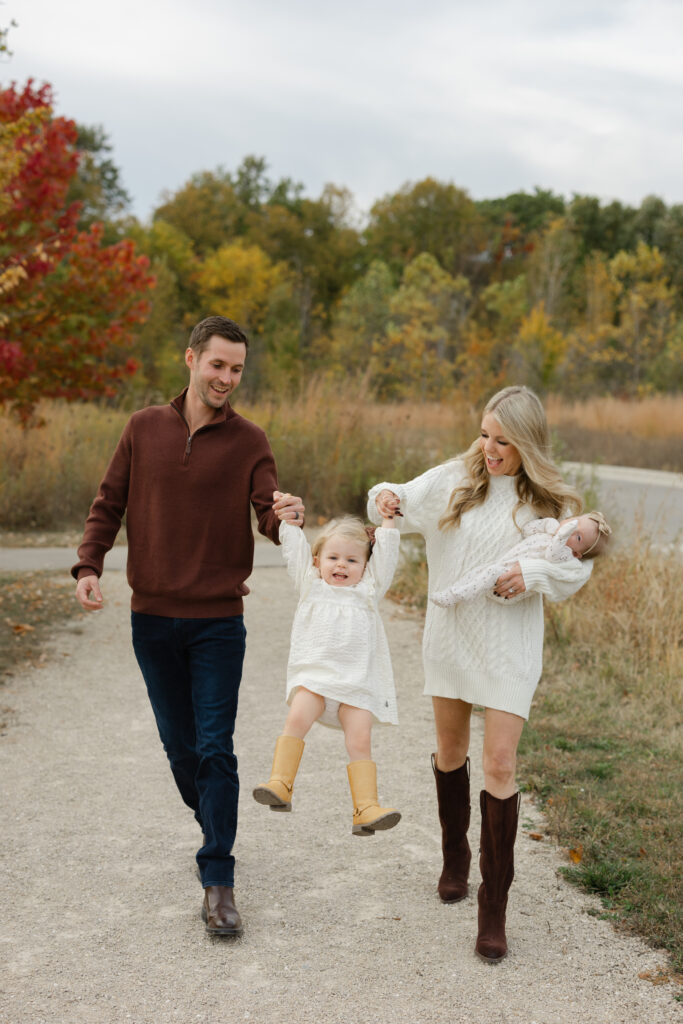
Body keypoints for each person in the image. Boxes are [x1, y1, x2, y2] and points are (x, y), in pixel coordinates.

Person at [72, 314, 304, 938]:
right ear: (192, 359)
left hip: (218, 624)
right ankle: (216, 826)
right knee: (180, 750)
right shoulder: (144, 427)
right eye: (218, 365)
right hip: (150, 619)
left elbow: (269, 514)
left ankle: (219, 880)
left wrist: (290, 517)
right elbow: (107, 503)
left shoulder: (251, 441)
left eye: (237, 369)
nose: (227, 377)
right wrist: (88, 565)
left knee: (214, 748)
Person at [368, 385, 594, 963]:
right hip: (449, 640)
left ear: (528, 443)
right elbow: (390, 498)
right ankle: (454, 857)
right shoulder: (454, 478)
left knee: (498, 763)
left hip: (510, 648)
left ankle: (493, 908)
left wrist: (533, 577)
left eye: (503, 440)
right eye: (485, 434)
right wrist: (387, 498)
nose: (489, 449)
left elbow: (570, 573)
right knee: (449, 751)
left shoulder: (549, 505)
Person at [253, 514, 401, 836]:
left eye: (352, 560)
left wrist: (388, 524)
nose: (341, 565)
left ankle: (366, 808)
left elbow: (387, 560)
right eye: (333, 558)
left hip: (357, 687)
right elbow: (294, 551)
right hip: (316, 681)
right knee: (296, 720)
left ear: (365, 566)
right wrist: (289, 523)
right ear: (318, 561)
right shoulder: (311, 586)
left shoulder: (368, 592)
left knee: (360, 741)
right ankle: (280, 784)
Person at [431, 511, 611, 607]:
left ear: (578, 554)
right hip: (504, 566)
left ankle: (456, 596)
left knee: (491, 572)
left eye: (578, 537)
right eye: (574, 523)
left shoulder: (565, 553)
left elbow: (551, 554)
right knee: (481, 572)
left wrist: (562, 533)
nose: (572, 529)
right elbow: (527, 530)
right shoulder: (554, 530)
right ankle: (454, 591)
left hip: (509, 584)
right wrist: (546, 524)